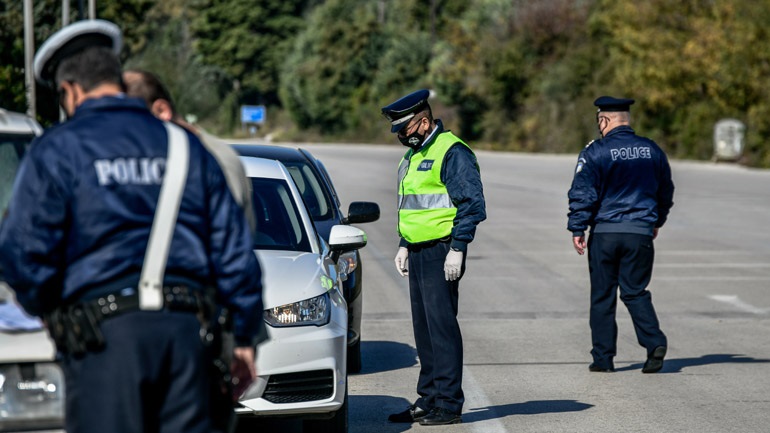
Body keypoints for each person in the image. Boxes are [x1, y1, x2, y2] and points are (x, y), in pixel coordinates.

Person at [0, 20, 263, 433]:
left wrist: (51, 311)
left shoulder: (57, 148)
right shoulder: (183, 145)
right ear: (115, 77)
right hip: (188, 340)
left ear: (69, 90)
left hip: (100, 343)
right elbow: (234, 253)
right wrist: (244, 339)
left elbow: (21, 255)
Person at [381, 89, 486, 426]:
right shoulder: (412, 156)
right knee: (424, 330)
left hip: (443, 250)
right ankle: (428, 397)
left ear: (423, 122)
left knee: (441, 328)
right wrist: (403, 243)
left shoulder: (452, 152)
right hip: (418, 249)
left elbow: (472, 204)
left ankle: (449, 403)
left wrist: (458, 248)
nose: (400, 136)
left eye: (405, 129)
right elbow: (413, 206)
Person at [567, 96, 674, 374]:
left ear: (604, 120)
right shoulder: (652, 150)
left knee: (603, 296)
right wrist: (656, 220)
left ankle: (603, 358)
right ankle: (654, 343)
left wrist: (578, 227)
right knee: (635, 291)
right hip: (639, 233)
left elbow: (583, 193)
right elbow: (665, 191)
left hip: (605, 234)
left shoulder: (596, 151)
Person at [122, 68, 257, 233]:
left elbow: (229, 241)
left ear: (161, 111)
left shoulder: (215, 159)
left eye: (131, 122)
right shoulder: (153, 156)